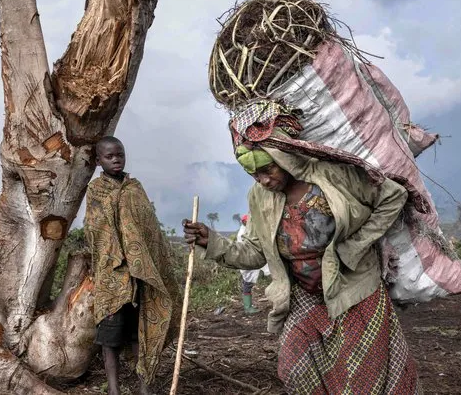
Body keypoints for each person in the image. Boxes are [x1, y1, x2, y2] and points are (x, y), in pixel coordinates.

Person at [184, 142, 420, 394]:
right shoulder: (259, 196)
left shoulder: (332, 175)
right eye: (254, 175)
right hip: (304, 297)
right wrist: (213, 242)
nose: (263, 180)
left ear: (284, 158)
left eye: (268, 170)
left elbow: (393, 195)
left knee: (362, 378)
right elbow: (254, 251)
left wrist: (354, 246)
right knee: (295, 368)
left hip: (354, 290)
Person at [85, 136, 181, 395]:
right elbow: (95, 231)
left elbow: (150, 230)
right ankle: (114, 389)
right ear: (98, 161)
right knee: (110, 339)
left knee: (141, 333)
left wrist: (144, 262)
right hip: (112, 276)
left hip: (141, 276)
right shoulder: (96, 191)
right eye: (109, 156)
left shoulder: (135, 188)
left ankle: (144, 386)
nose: (116, 159)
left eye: (120, 154)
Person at [237, 214, 271, 314]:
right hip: (248, 260)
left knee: (272, 274)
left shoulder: (249, 230)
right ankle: (248, 308)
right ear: (243, 222)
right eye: (246, 221)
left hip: (256, 258)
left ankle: (279, 299)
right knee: (248, 282)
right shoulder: (242, 233)